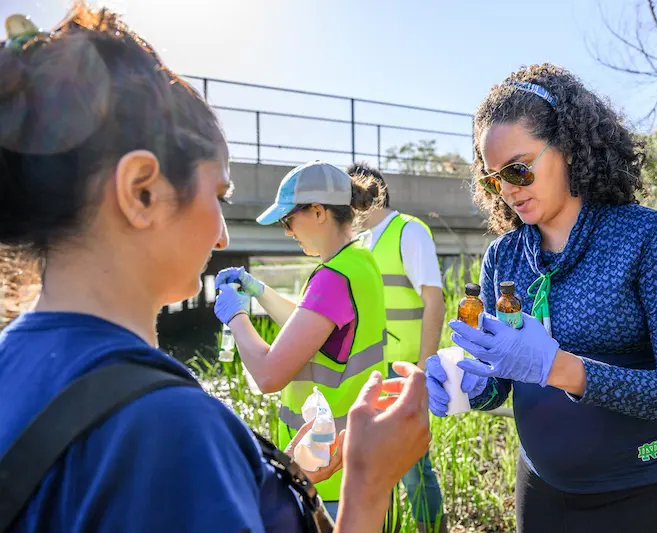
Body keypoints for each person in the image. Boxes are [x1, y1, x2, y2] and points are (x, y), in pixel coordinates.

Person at [0, 6, 430, 532]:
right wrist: (368, 487)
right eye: (218, 195)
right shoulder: (172, 429)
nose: (223, 234)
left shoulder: (13, 365)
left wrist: (280, 475)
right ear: (142, 192)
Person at [425, 64, 657, 533]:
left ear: (568, 148)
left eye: (519, 168)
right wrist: (472, 382)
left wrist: (563, 368)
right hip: (542, 494)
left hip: (643, 492)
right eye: (494, 178)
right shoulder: (504, 256)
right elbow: (505, 380)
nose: (510, 189)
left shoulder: (646, 237)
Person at [213, 161, 391, 522]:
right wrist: (259, 292)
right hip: (356, 459)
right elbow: (315, 327)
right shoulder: (357, 260)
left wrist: (236, 316)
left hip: (326, 470)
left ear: (317, 211)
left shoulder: (331, 278)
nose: (288, 232)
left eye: (287, 220)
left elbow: (267, 375)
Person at [347, 163, 447, 533]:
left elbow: (433, 302)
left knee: (414, 467)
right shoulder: (359, 242)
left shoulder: (408, 231)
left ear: (375, 193)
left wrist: (422, 368)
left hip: (403, 369)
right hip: (370, 371)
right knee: (373, 466)